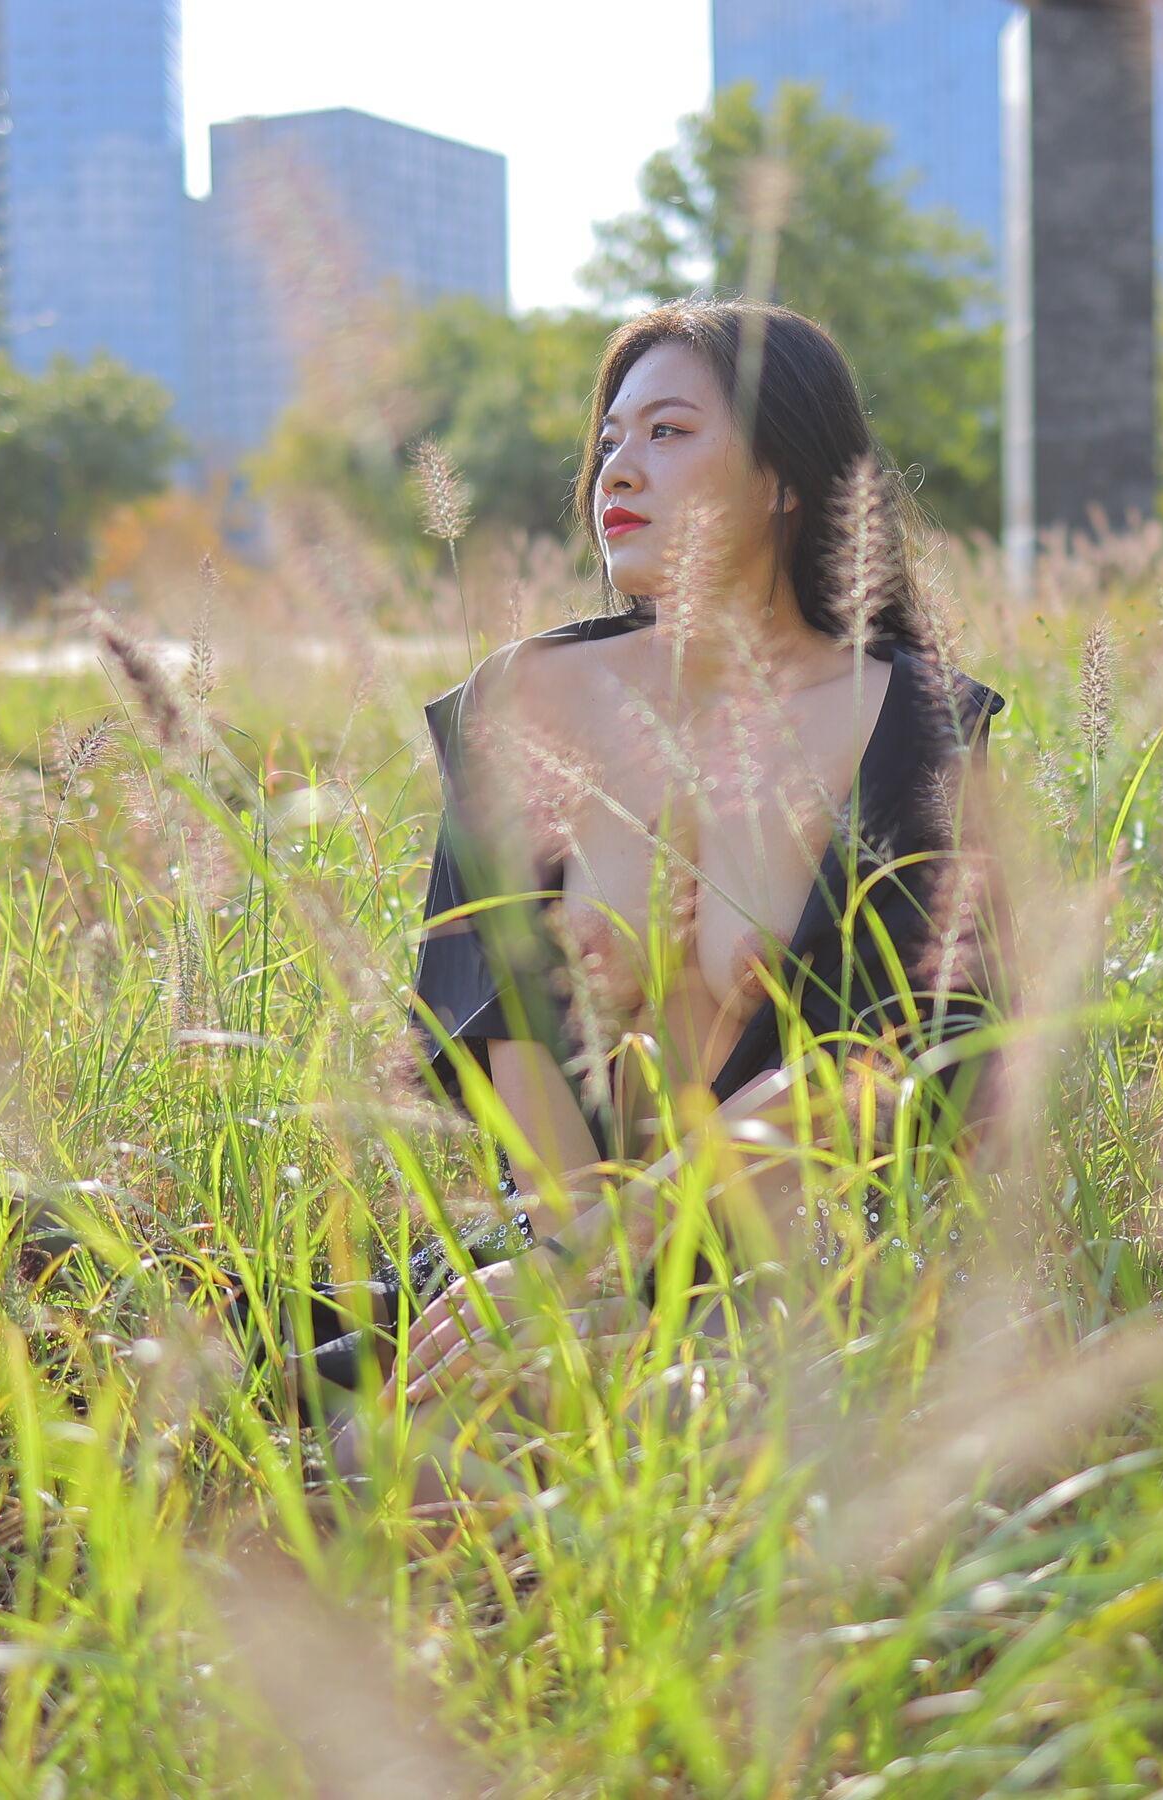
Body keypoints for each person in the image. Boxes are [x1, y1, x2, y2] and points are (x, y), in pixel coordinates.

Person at [251, 298, 1013, 1497]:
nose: (618, 468)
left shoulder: (912, 727)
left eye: (668, 432)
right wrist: (568, 1276)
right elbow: (507, 1023)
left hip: (797, 1274)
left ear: (784, 479)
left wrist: (607, 1263)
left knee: (516, 1463)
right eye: (609, 439)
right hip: (559, 1247)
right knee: (349, 1438)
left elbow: (899, 1066)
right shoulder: (528, 701)